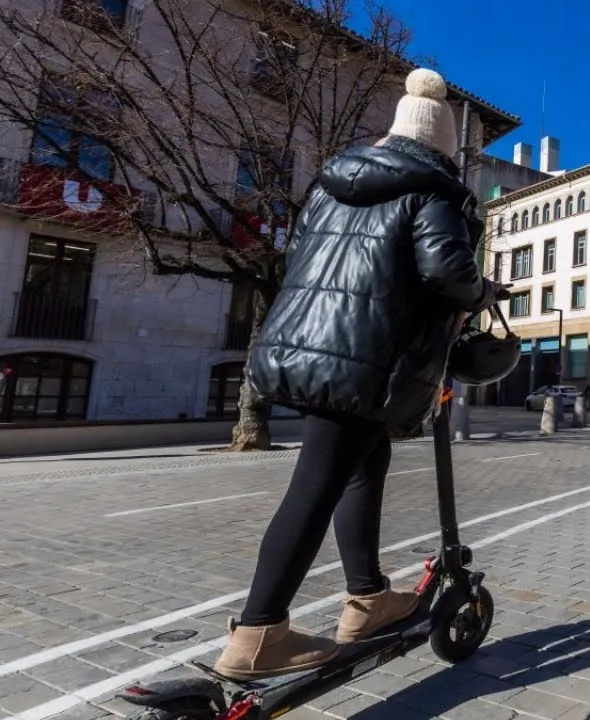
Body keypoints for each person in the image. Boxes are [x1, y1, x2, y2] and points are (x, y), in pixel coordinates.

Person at [212, 68, 507, 680]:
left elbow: (305, 257)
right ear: (444, 146)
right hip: (361, 357)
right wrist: (484, 293)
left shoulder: (330, 186)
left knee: (362, 471)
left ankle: (368, 598)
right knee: (316, 484)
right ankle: (258, 634)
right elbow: (447, 272)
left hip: (310, 341)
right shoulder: (433, 190)